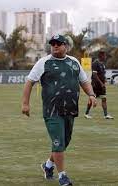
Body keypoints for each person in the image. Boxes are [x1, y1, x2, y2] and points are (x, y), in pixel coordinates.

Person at [21, 34, 97, 186]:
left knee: (64, 142)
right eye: (53, 44)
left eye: (58, 43)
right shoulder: (44, 62)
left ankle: (48, 165)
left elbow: (84, 81)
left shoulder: (74, 62)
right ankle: (62, 176)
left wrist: (92, 94)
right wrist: (25, 104)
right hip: (52, 111)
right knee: (58, 142)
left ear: (66, 46)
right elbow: (29, 82)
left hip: (70, 109)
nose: (55, 46)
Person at [84, 50, 114, 119]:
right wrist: (101, 83)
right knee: (92, 98)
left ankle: (106, 115)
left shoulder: (102, 64)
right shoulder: (95, 63)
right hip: (95, 85)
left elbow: (102, 74)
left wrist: (104, 79)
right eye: (104, 55)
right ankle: (86, 113)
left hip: (101, 85)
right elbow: (94, 75)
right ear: (101, 56)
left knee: (104, 98)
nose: (105, 57)